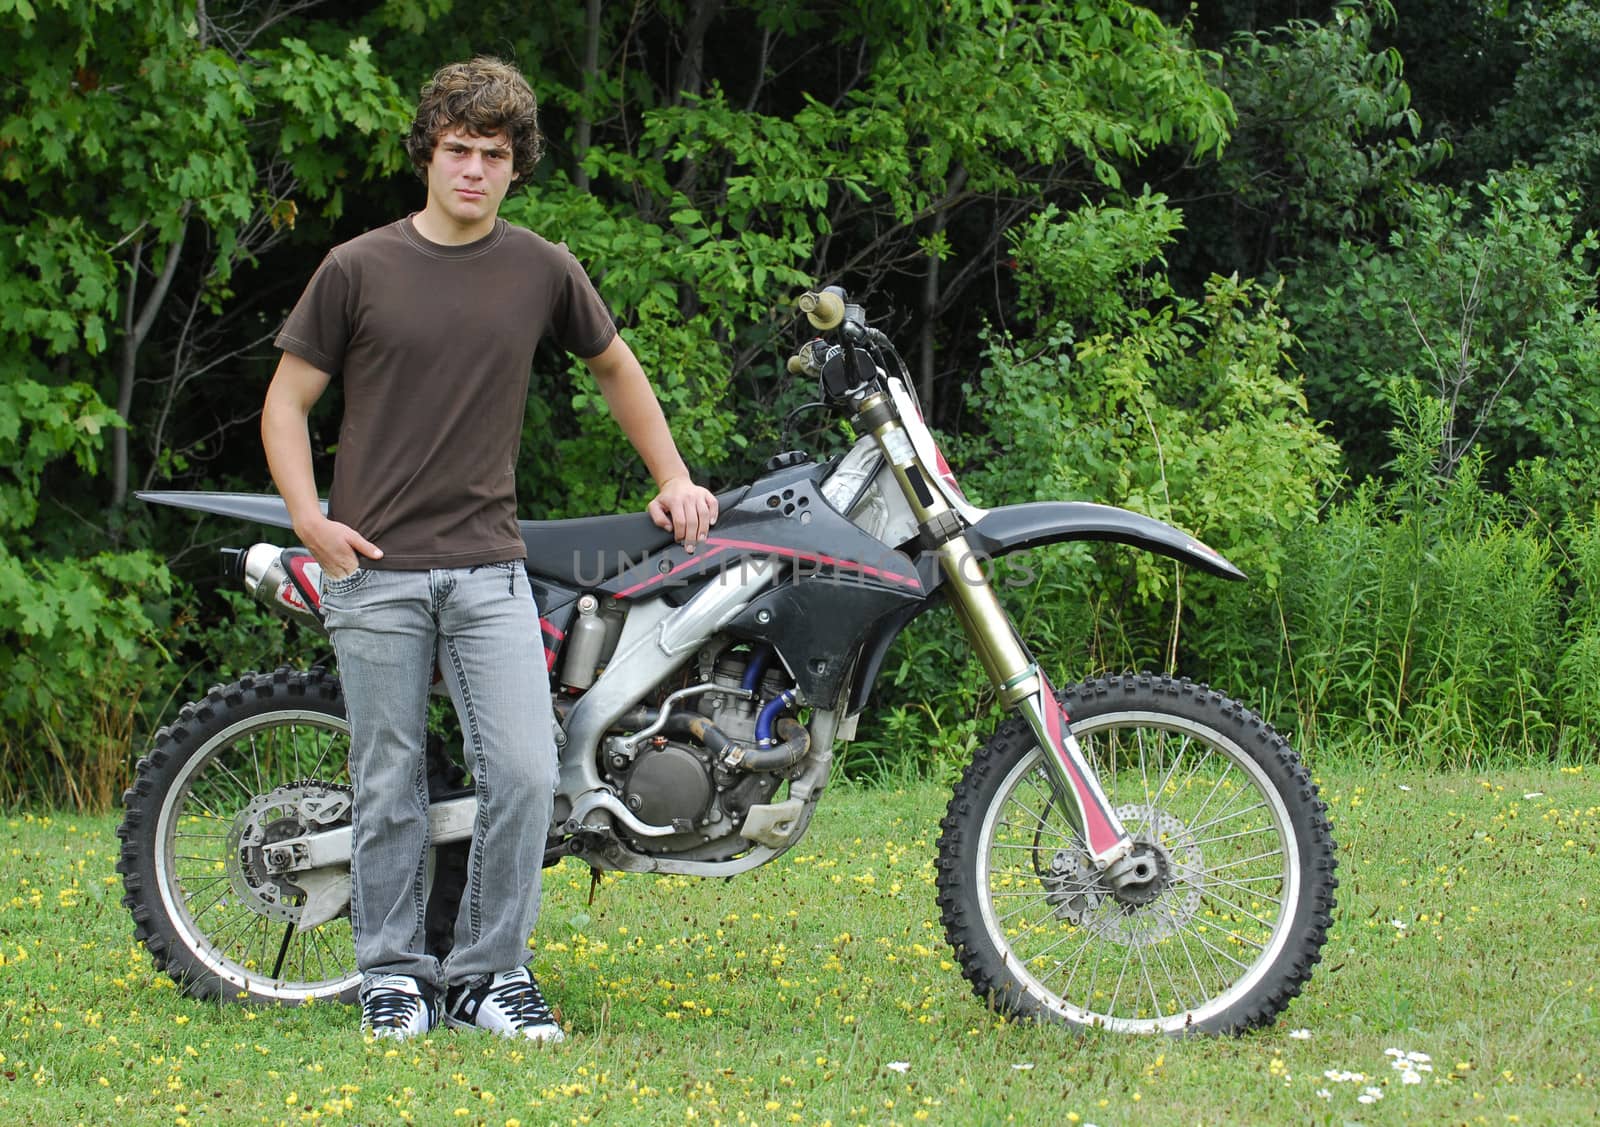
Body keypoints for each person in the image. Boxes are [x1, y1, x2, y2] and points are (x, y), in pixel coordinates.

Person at [260, 57, 718, 1042]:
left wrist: (674, 475)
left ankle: (486, 974)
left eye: (495, 155)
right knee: (387, 782)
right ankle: (391, 973)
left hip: (488, 567)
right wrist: (308, 516)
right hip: (373, 569)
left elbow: (615, 366)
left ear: (516, 168)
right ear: (429, 153)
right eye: (459, 149)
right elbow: (288, 400)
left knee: (523, 771)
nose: (473, 168)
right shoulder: (357, 268)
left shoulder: (541, 268)